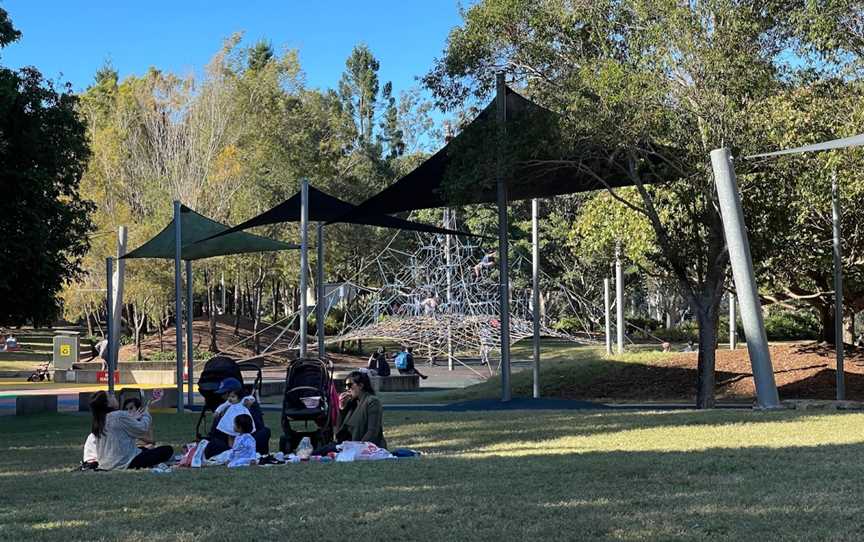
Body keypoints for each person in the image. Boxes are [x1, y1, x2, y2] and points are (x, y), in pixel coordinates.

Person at [88, 391, 173, 470]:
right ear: (107, 404)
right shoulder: (119, 416)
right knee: (167, 450)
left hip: (105, 463)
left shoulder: (98, 421)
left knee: (143, 449)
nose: (113, 395)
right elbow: (142, 428)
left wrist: (131, 419)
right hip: (125, 462)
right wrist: (146, 413)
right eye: (110, 396)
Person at [203, 377, 271, 459]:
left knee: (265, 432)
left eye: (225, 393)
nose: (222, 396)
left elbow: (258, 426)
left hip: (248, 439)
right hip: (227, 443)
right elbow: (215, 433)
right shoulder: (225, 407)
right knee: (214, 443)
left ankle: (254, 453)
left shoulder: (248, 403)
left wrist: (248, 410)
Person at [335, 371, 387, 448]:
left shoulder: (372, 402)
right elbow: (339, 433)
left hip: (364, 448)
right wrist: (342, 409)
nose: (347, 389)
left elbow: (372, 432)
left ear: (360, 385)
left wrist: (357, 448)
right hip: (346, 446)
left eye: (349, 385)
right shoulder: (351, 403)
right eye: (345, 385)